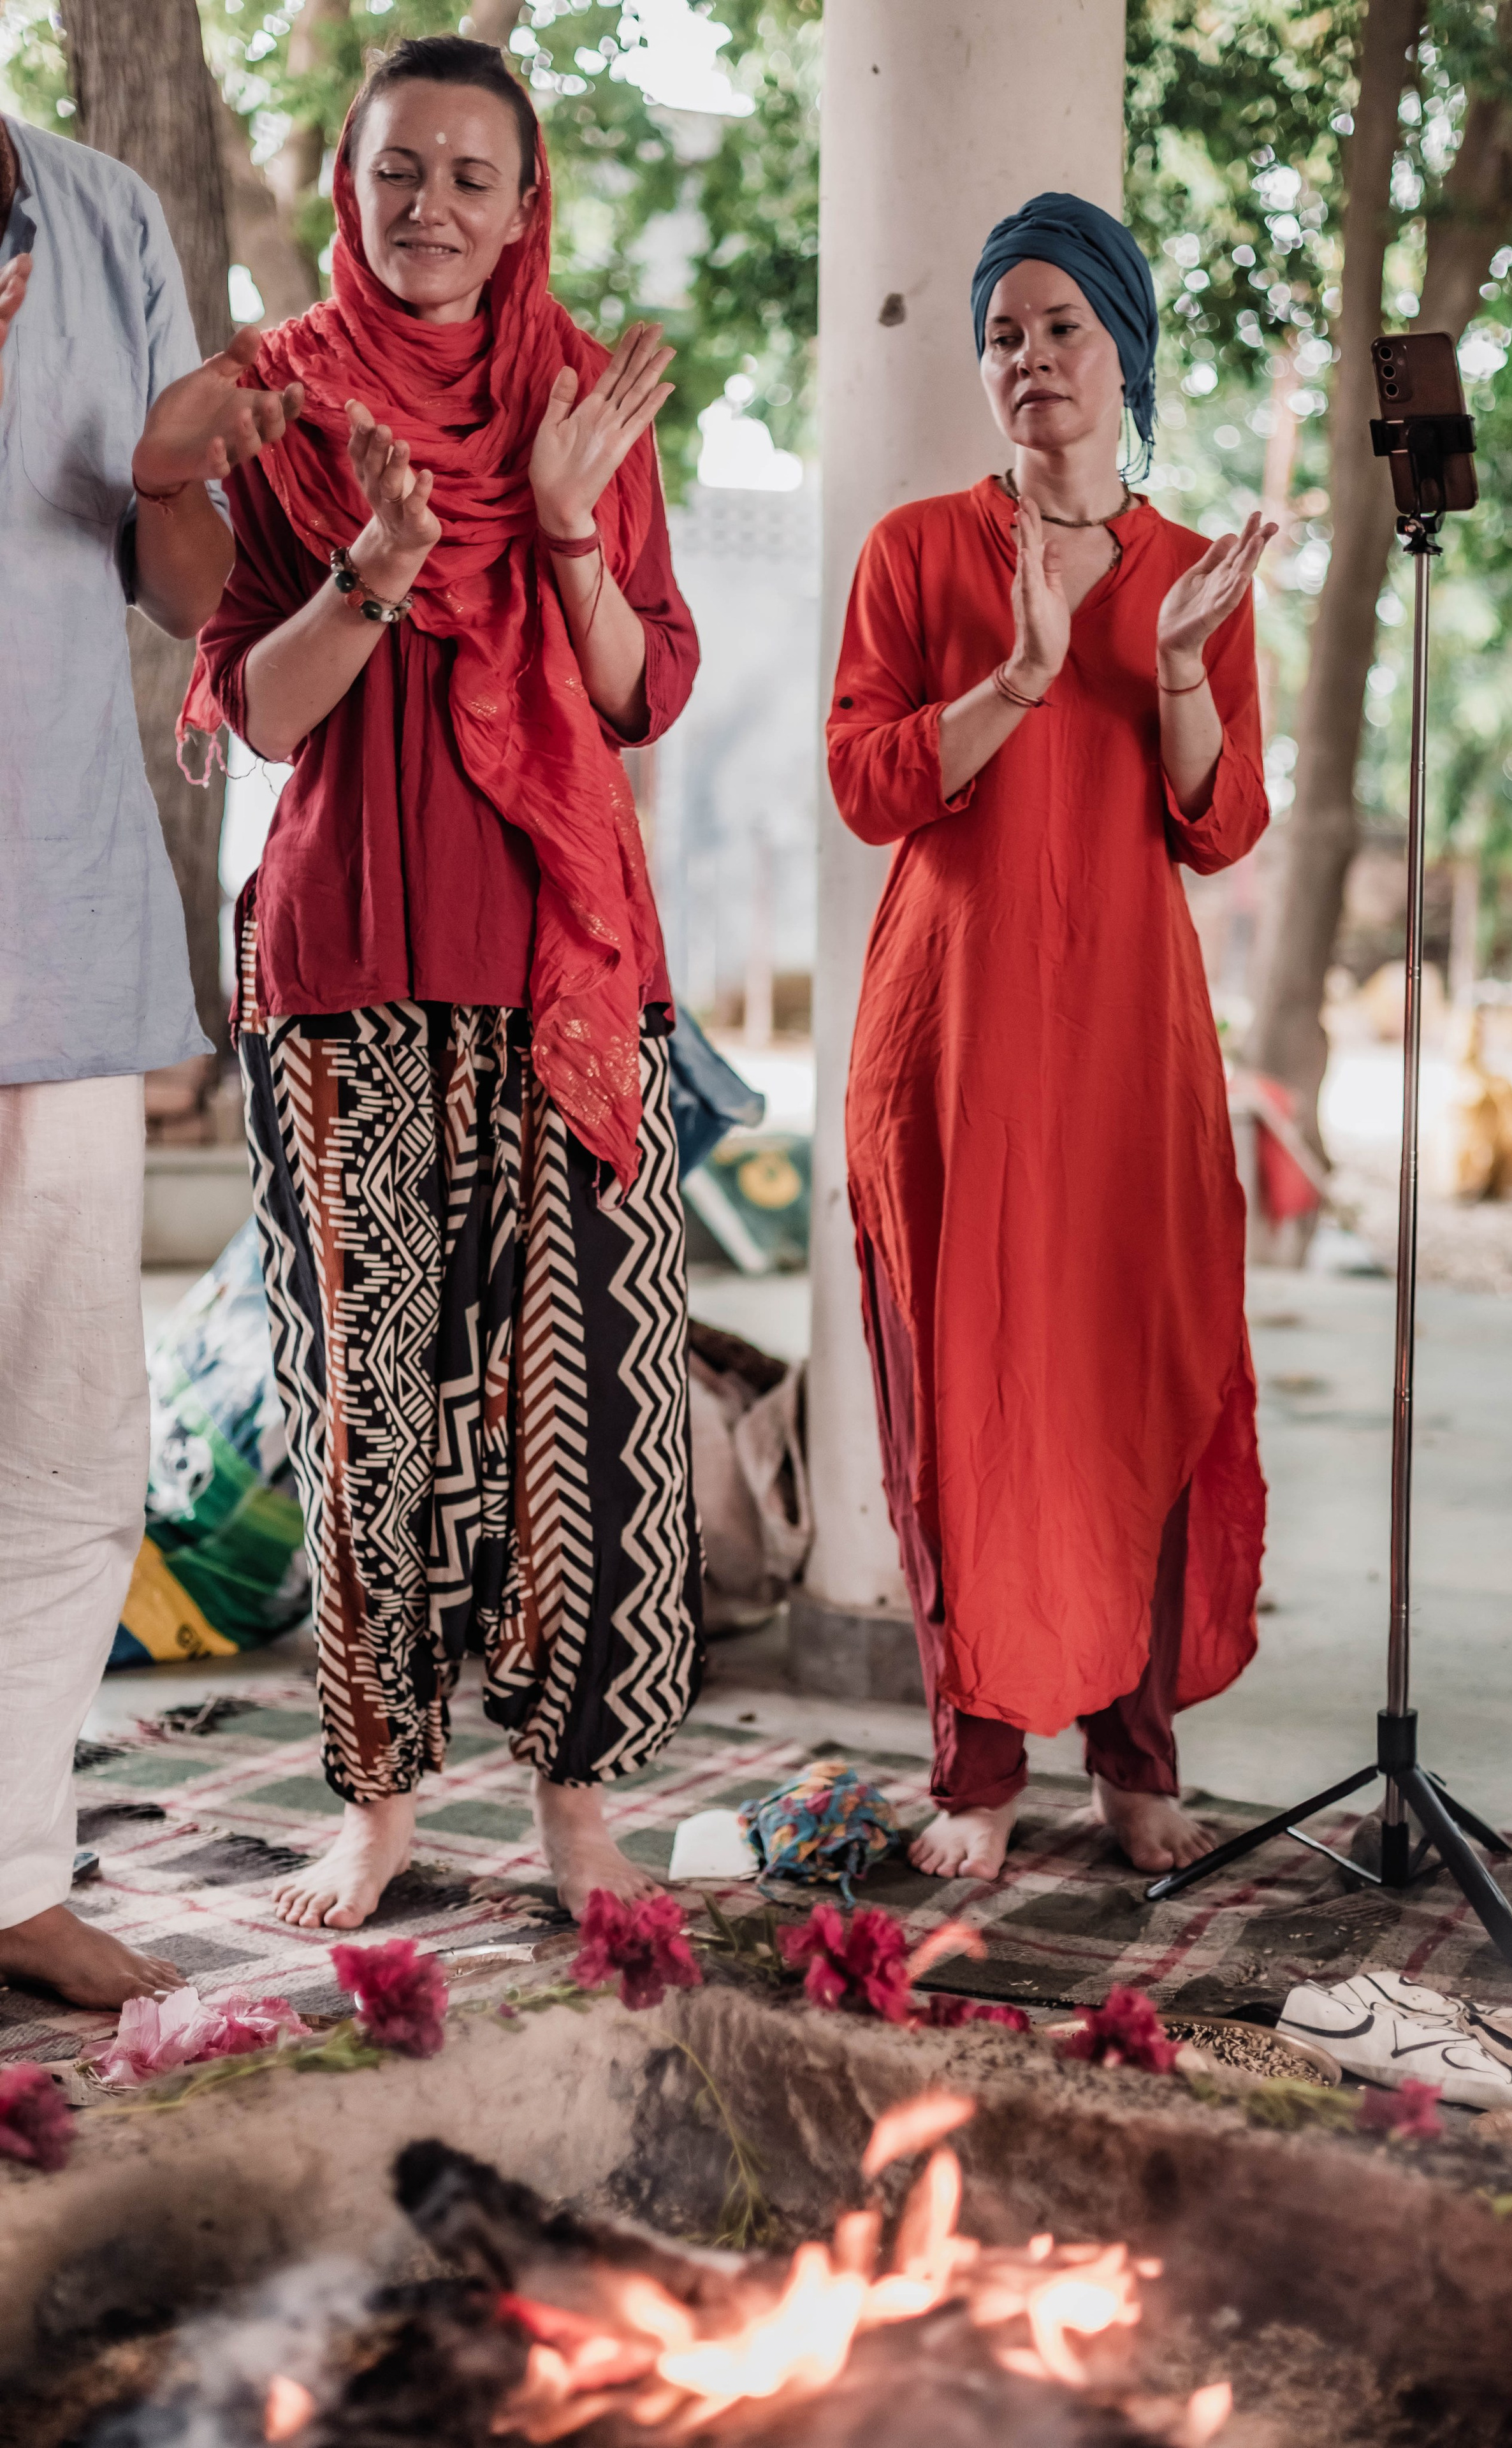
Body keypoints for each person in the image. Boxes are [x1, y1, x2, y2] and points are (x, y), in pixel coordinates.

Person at [185, 38, 704, 1930]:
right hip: (349, 964)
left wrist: (567, 526)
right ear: (349, 182)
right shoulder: (280, 402)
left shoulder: (585, 395)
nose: (432, 207)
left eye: (472, 176)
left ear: (524, 201)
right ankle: (381, 1806)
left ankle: (574, 1811)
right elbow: (252, 703)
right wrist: (376, 574)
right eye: (400, 169)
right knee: (369, 1402)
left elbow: (647, 690)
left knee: (585, 1399)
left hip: (563, 964)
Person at [827, 193, 1274, 1884]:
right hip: (948, 1047)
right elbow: (869, 780)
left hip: (1127, 1053)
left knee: (1132, 1371)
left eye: (1060, 327)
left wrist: (1166, 664)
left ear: (1124, 347)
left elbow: (1220, 827)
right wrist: (1015, 676)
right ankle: (977, 1766)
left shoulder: (1194, 575)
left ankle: (1136, 1757)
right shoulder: (916, 552)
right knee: (966, 1398)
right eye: (1003, 336)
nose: (1029, 360)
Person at [0, 111, 299, 2005]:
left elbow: (186, 595)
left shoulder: (100, 216)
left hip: (63, 923)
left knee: (67, 1442)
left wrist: (180, 472)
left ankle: (11, 1863)